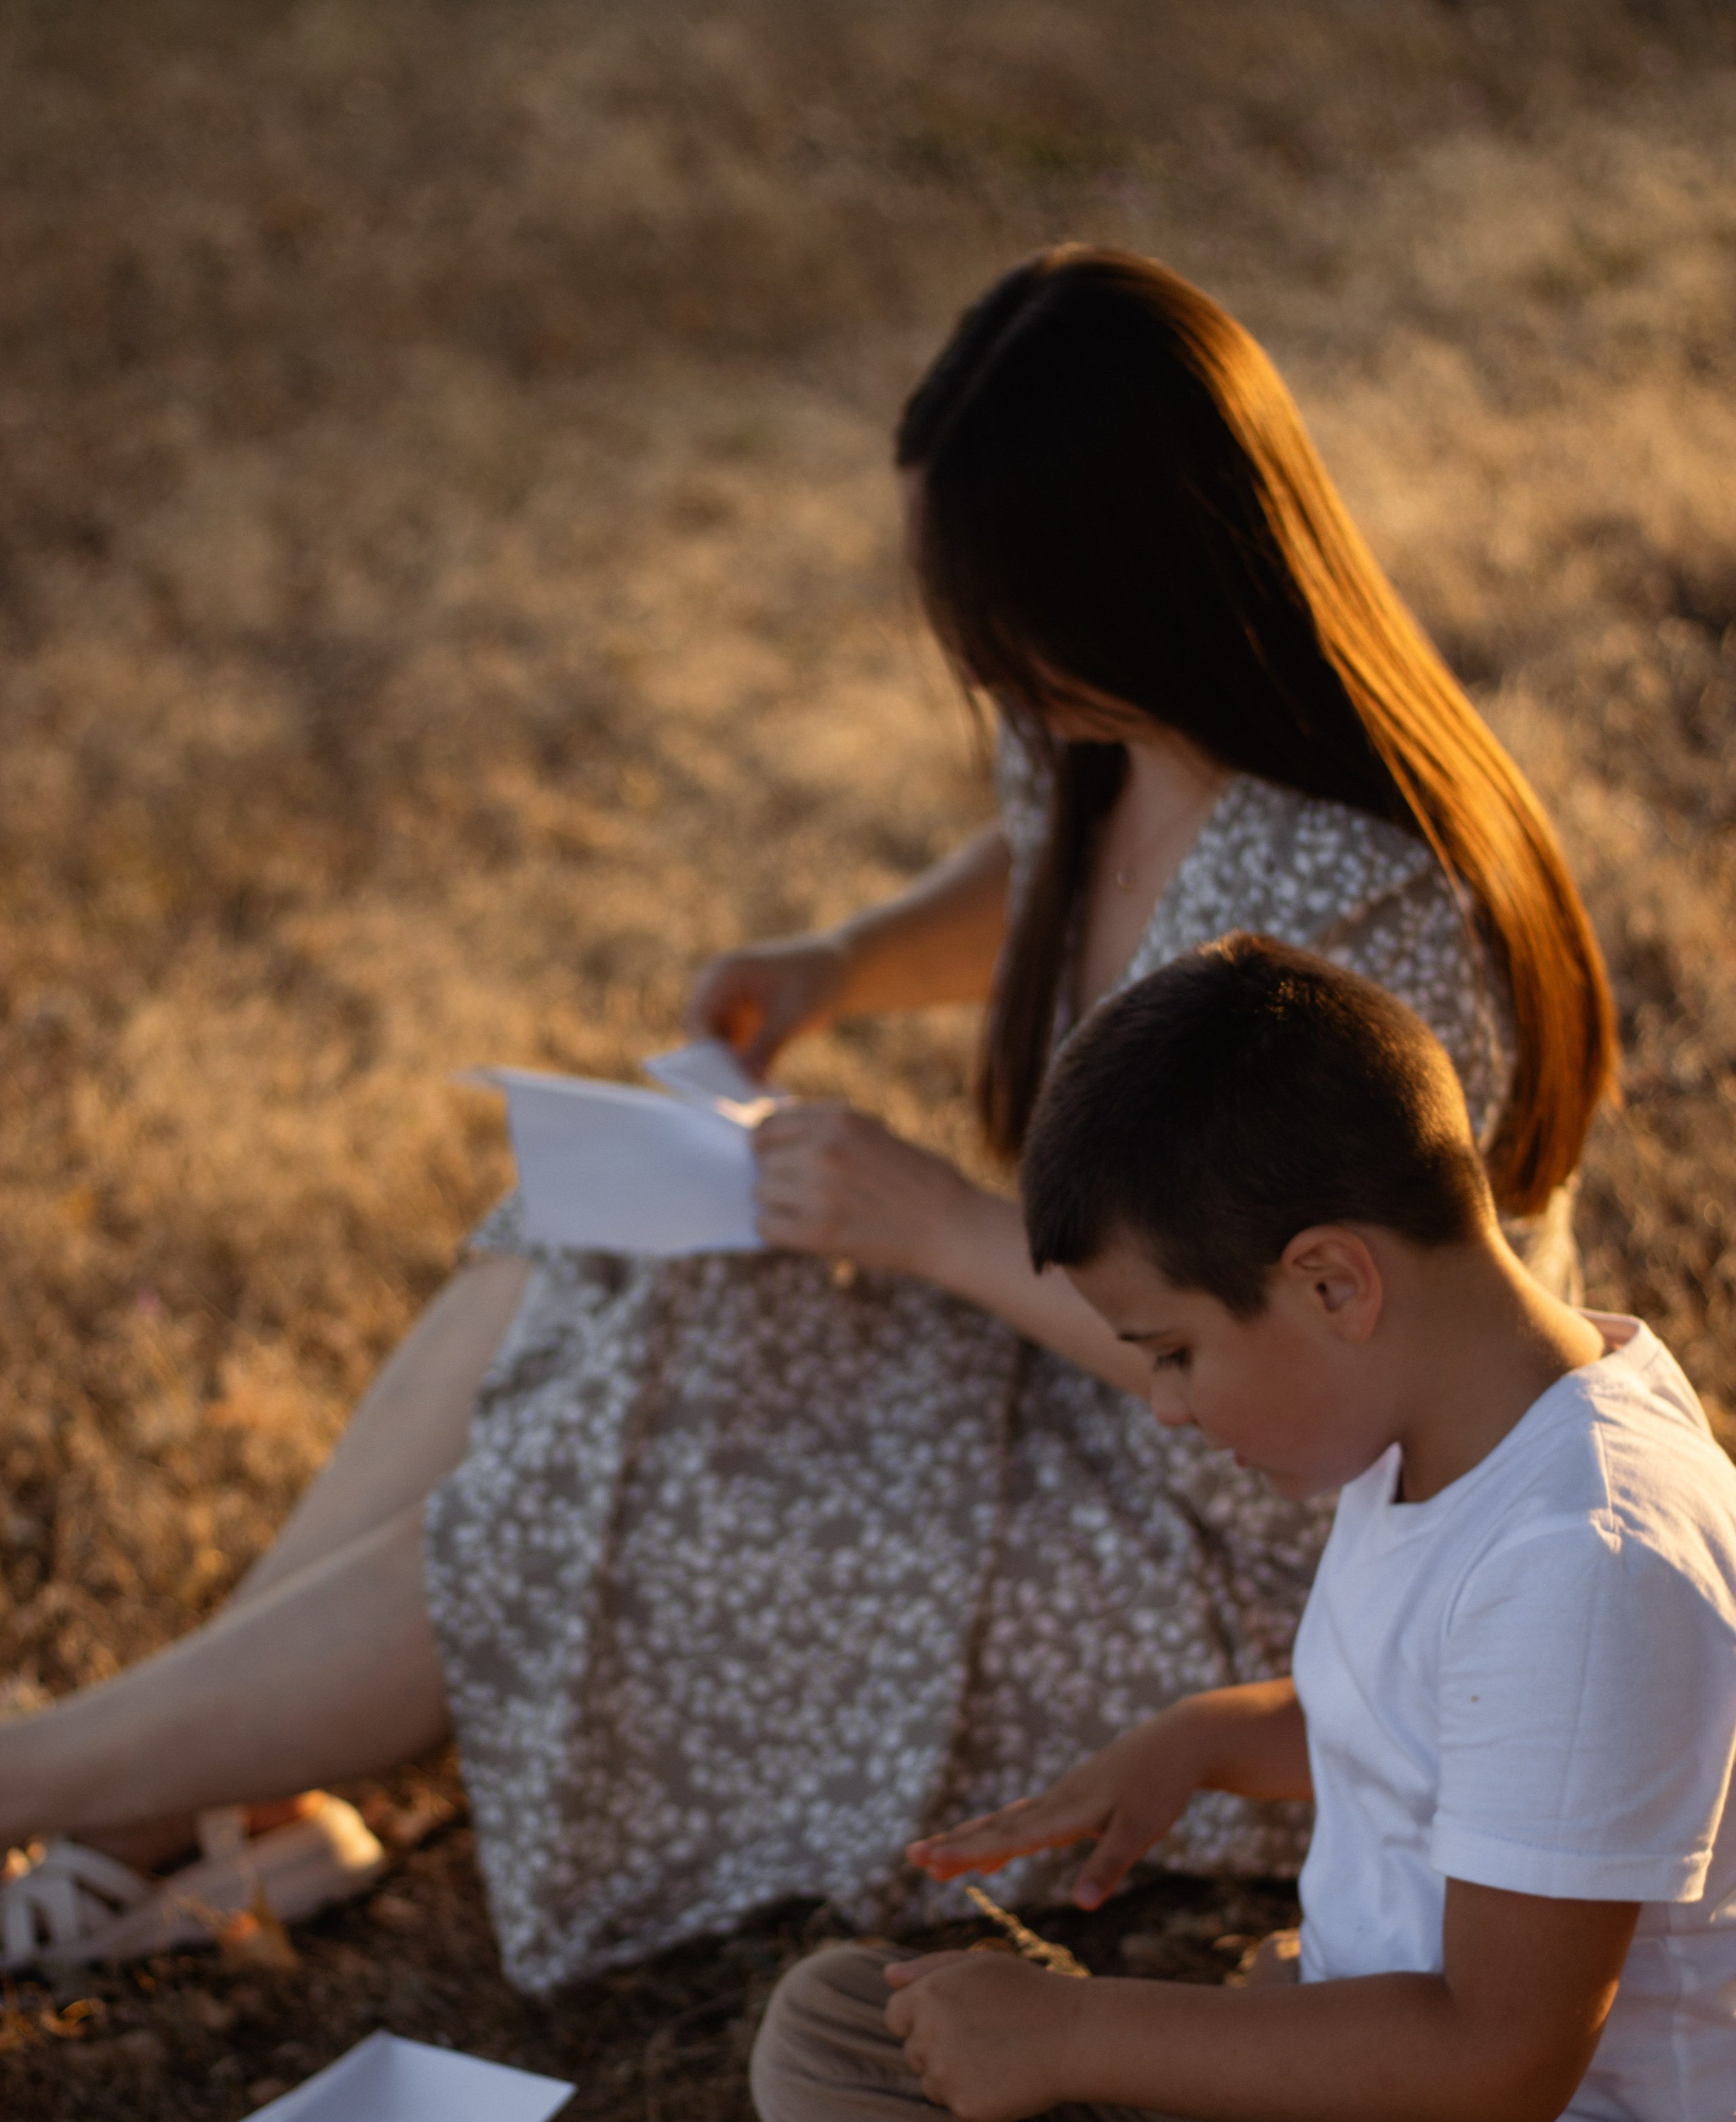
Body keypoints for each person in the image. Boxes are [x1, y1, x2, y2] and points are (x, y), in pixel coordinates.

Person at [0, 247, 1614, 1989]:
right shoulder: (1111, 726)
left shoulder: (1373, 911)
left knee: (613, 1495)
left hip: (1269, 1542)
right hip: (1110, 1388)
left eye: (1008, 626)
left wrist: (926, 1221)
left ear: (1143, 586)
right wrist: (839, 964)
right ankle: (186, 1805)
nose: (986, 672)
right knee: (601, 1251)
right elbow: (1050, 870)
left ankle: (65, 1790)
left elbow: (1285, 1346)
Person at [465, 939, 1736, 2122]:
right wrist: (1202, 1739)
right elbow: (1456, 1734)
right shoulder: (1455, 1423)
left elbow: (1499, 2055)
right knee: (847, 2033)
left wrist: (1077, 2032)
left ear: (1331, 1280)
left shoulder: (1595, 1550)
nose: (1162, 1409)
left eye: (1169, 1352)